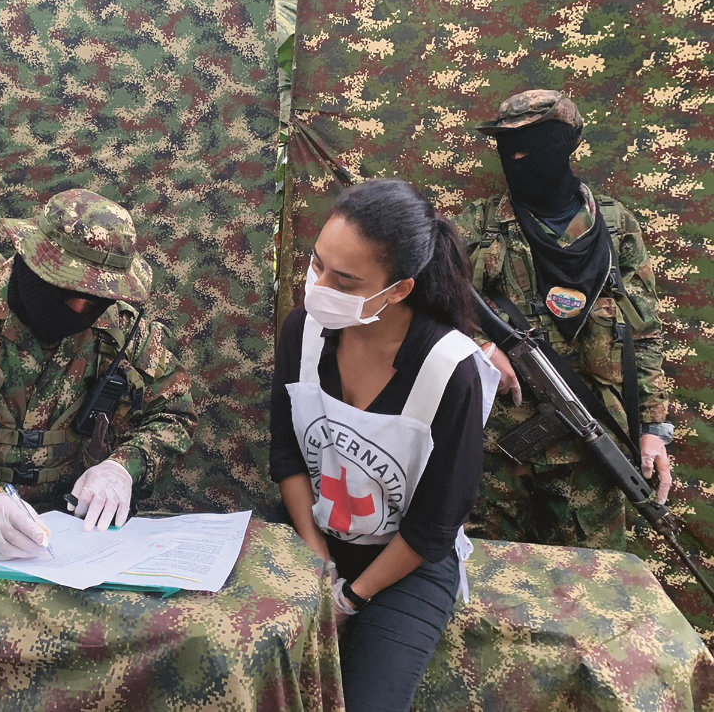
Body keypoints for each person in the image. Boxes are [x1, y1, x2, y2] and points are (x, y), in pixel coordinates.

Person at [270, 179, 499, 712]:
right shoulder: (302, 330)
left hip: (406, 566)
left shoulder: (452, 370)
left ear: (398, 290)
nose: (318, 286)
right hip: (312, 536)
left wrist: (351, 597)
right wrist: (314, 553)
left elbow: (435, 525)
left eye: (344, 281)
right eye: (317, 263)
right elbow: (286, 453)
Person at [0, 188, 197, 559]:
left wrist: (123, 468)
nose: (79, 307)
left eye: (94, 297)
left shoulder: (121, 329)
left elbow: (174, 414)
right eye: (66, 288)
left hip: (81, 538)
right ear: (30, 261)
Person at [457, 89, 673, 551]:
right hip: (498, 445)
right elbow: (429, 305)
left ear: (567, 144)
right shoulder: (478, 225)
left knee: (588, 588)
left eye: (534, 144)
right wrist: (481, 347)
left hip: (593, 442)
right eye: (505, 146)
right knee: (485, 571)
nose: (516, 157)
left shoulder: (615, 227)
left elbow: (645, 334)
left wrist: (653, 431)